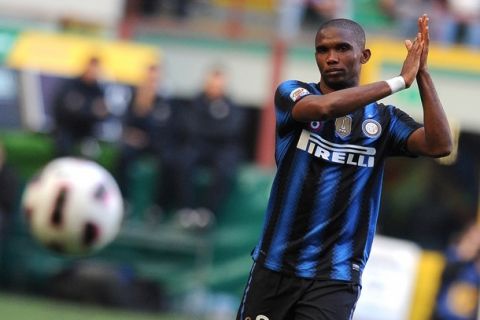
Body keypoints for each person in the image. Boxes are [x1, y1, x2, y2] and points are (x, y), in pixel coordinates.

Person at [237, 14, 452, 320]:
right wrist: (398, 81)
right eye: (323, 50)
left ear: (363, 56)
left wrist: (422, 74)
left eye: (341, 48)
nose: (331, 58)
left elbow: (440, 145)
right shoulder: (293, 94)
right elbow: (324, 108)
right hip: (276, 266)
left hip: (335, 277)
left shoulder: (385, 121)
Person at [170, 67, 245, 229]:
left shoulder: (231, 105)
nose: (215, 88)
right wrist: (213, 128)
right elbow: (190, 127)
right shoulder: (195, 103)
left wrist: (209, 128)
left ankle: (207, 212)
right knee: (183, 160)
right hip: (198, 145)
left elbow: (232, 129)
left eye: (218, 85)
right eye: (212, 84)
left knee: (225, 167)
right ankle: (186, 209)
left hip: (223, 149)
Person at [116, 63, 174, 200]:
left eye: (154, 80)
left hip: (156, 144)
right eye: (149, 79)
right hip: (135, 144)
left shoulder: (164, 102)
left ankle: (158, 205)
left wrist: (147, 114)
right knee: (123, 156)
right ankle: (124, 199)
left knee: (169, 160)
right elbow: (125, 123)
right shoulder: (134, 98)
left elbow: (165, 128)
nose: (151, 84)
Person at [52, 56, 108, 158]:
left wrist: (82, 109)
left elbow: (103, 114)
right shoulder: (71, 85)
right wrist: (91, 110)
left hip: (86, 130)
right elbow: (64, 109)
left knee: (91, 151)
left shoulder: (98, 90)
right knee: (63, 146)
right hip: (67, 128)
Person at [432, 222, 480, 320]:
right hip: (441, 316)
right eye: (472, 239)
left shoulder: (473, 267)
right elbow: (444, 270)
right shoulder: (451, 255)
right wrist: (463, 253)